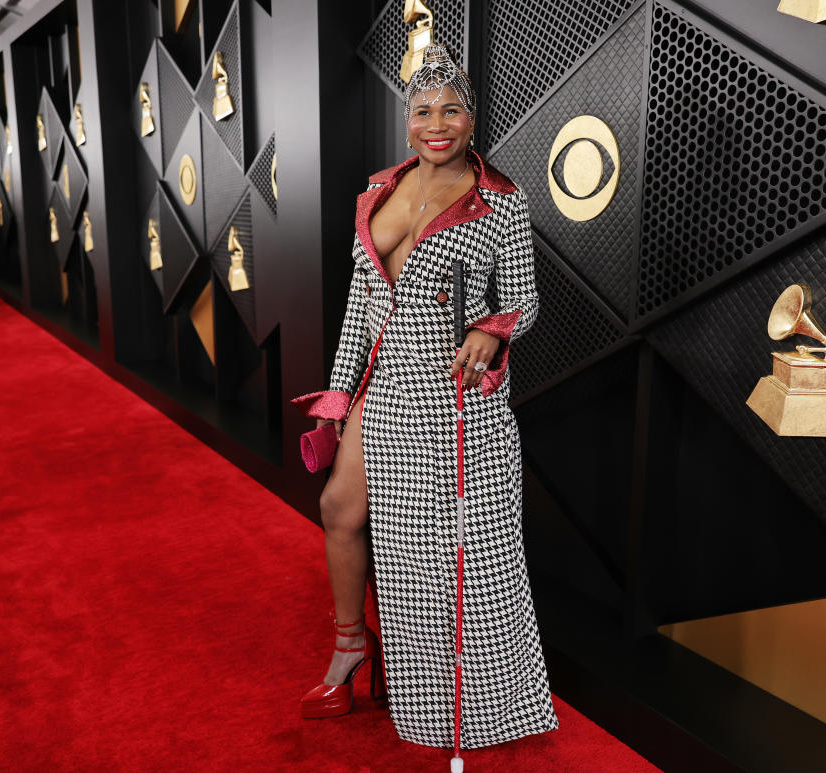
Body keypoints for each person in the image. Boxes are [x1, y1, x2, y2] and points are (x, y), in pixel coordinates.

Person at [290, 44, 558, 749]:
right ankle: (352, 646)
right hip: (385, 392)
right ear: (406, 117)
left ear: (472, 117)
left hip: (451, 400)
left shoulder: (501, 199)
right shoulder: (379, 188)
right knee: (339, 509)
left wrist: (493, 331)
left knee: (446, 555)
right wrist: (340, 394)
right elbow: (361, 305)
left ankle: (455, 691)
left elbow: (525, 300)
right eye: (422, 110)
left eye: (452, 109)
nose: (436, 124)